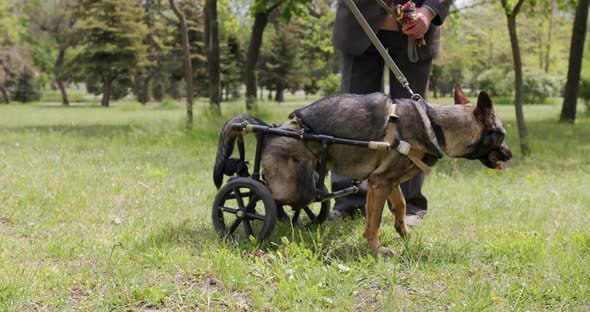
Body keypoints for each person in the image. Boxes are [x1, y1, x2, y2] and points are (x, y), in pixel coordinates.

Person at [330, 0, 453, 224]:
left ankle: (409, 205)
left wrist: (429, 11)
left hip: (416, 31)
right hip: (359, 24)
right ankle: (348, 201)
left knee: (413, 122)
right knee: (351, 117)